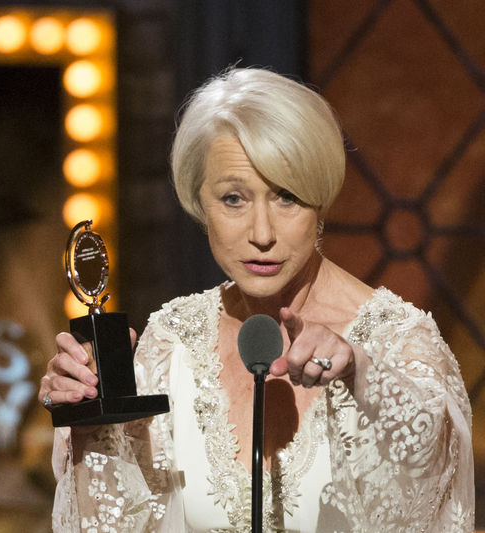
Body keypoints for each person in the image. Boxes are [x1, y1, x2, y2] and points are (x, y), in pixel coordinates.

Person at [38, 67, 474, 532]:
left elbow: (432, 480)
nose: (261, 234)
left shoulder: (399, 342)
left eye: (286, 198)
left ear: (321, 200)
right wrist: (87, 419)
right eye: (233, 199)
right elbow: (116, 520)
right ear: (198, 202)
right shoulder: (172, 343)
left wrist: (361, 373)